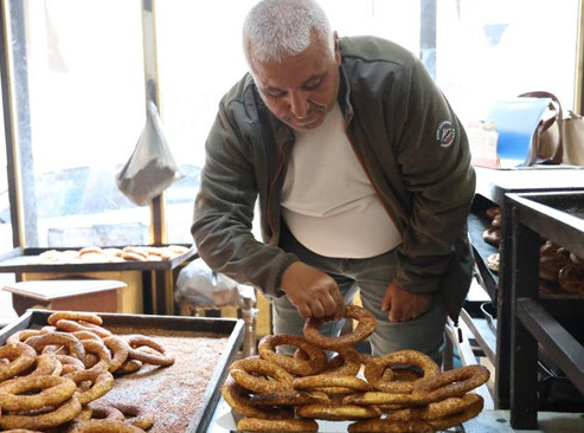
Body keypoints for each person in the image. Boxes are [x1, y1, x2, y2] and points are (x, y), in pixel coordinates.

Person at [191, 0, 475, 363]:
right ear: (253, 75)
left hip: (403, 251)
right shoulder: (239, 114)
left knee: (406, 375)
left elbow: (446, 185)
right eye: (275, 93)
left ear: (335, 49)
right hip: (300, 257)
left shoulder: (393, 79)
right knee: (294, 374)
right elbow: (213, 225)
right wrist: (283, 272)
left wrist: (418, 277)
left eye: (314, 83)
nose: (299, 108)